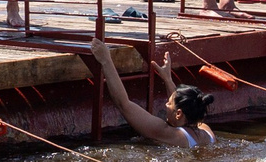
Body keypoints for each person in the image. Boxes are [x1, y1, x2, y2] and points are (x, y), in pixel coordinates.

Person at [82, 41, 215, 149]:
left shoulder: (168, 133)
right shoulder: (207, 133)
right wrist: (167, 79)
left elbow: (124, 104)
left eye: (169, 103)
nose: (166, 104)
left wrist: (106, 60)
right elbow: (184, 107)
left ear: (179, 113)